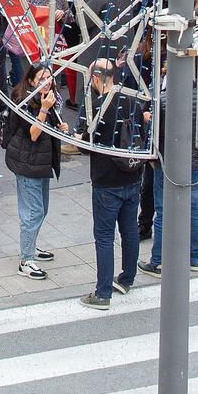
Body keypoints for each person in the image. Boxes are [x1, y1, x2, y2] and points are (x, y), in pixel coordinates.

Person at [80, 59, 144, 310]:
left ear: (96, 78)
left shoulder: (97, 106)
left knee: (104, 237)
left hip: (106, 180)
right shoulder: (131, 99)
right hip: (132, 175)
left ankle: (103, 292)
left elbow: (87, 144)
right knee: (129, 231)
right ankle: (126, 279)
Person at [0, 67, 61, 278]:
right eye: (41, 78)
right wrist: (44, 110)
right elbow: (34, 134)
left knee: (41, 209)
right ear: (31, 81)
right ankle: (26, 260)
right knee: (32, 213)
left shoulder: (48, 97)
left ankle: (31, 247)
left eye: (49, 77)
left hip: (40, 162)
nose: (47, 81)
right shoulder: (24, 100)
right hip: (27, 162)